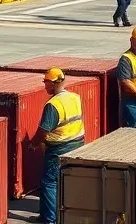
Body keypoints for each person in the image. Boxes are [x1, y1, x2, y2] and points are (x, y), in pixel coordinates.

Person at [33, 67, 86, 224]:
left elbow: (43, 131)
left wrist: (34, 144)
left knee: (49, 182)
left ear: (54, 83)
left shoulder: (53, 104)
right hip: (78, 143)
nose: (45, 86)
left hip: (59, 147)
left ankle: (50, 220)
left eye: (46, 83)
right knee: (67, 181)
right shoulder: (75, 97)